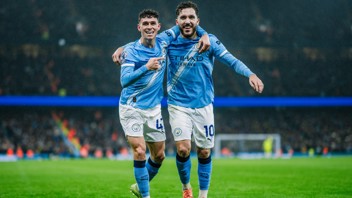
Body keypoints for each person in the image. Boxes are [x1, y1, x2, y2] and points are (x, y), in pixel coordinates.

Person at [115, 9, 210, 198]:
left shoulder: (165, 40)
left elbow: (188, 24)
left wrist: (205, 34)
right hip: (131, 107)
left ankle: (138, 186)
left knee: (159, 155)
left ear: (159, 27)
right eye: (145, 24)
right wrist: (146, 67)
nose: (149, 27)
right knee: (140, 151)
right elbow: (124, 81)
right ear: (139, 27)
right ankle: (146, 195)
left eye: (152, 24)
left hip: (154, 109)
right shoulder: (131, 52)